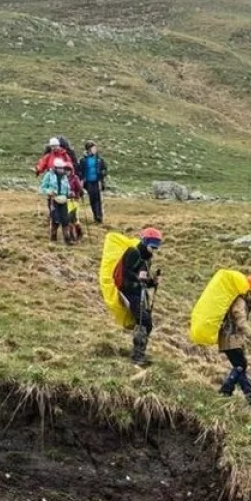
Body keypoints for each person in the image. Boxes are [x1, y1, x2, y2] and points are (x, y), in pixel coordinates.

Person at [219, 275, 251, 407]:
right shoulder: (240, 302)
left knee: (241, 366)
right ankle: (226, 390)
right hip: (230, 337)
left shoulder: (243, 302)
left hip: (233, 338)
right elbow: (241, 322)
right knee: (241, 365)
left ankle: (249, 395)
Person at [116, 227, 163, 367]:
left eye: (156, 246)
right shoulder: (132, 252)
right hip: (129, 292)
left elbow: (143, 279)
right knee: (144, 320)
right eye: (152, 246)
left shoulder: (147, 259)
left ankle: (139, 353)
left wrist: (152, 282)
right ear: (144, 242)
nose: (153, 249)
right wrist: (140, 281)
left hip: (139, 293)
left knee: (146, 321)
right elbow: (127, 272)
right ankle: (137, 356)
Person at [39, 159, 77, 244]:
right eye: (59, 168)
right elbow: (42, 187)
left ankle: (67, 239)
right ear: (55, 168)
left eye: (62, 168)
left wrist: (70, 193)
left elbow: (67, 188)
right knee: (55, 219)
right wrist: (48, 191)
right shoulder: (49, 175)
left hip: (63, 200)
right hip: (53, 199)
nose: (61, 169)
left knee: (65, 219)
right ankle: (53, 237)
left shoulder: (64, 177)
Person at [78, 141, 108, 225]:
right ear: (89, 149)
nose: (95, 149)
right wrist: (81, 180)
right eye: (93, 148)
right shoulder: (83, 160)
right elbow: (80, 171)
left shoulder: (99, 159)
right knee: (93, 199)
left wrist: (102, 173)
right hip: (88, 182)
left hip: (97, 181)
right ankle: (96, 215)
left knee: (98, 199)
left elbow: (105, 169)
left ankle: (99, 217)